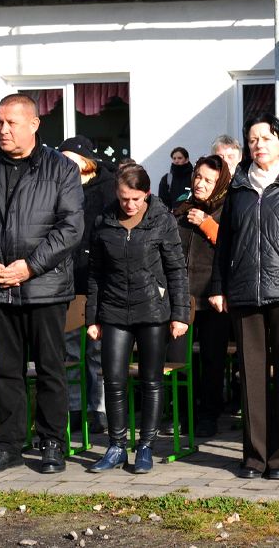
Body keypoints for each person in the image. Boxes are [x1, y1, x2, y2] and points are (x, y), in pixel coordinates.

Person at [0, 94, 84, 475]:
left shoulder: (61, 168)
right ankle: (8, 445)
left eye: (11, 122)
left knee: (49, 369)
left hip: (44, 287)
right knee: (7, 370)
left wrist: (29, 267)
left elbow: (71, 226)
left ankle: (52, 444)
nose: (3, 130)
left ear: (34, 124)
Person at [209, 113, 279, 481]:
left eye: (266, 137)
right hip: (244, 293)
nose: (259, 144)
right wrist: (218, 286)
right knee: (251, 377)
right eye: (253, 139)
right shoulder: (239, 186)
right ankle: (254, 457)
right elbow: (225, 241)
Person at [85, 164, 189, 474]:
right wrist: (92, 317)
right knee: (114, 379)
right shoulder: (103, 220)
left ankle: (145, 446)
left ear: (147, 193)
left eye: (135, 199)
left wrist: (180, 314)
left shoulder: (163, 220)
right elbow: (95, 273)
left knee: (151, 381)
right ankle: (116, 446)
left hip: (153, 310)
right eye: (123, 198)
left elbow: (176, 269)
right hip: (114, 310)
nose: (129, 205)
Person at [58, 135, 116, 435]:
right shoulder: (58, 188)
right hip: (67, 279)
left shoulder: (108, 187)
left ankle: (99, 409)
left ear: (85, 161)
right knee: (69, 350)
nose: (64, 165)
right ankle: (74, 406)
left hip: (97, 279)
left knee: (97, 350)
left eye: (69, 159)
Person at [173, 154, 232, 438]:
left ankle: (209, 414)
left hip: (213, 296)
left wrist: (207, 224)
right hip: (182, 298)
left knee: (211, 360)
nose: (200, 184)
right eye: (198, 176)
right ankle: (184, 412)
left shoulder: (228, 209)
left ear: (219, 184)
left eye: (209, 180)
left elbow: (234, 246)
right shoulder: (181, 209)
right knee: (179, 360)